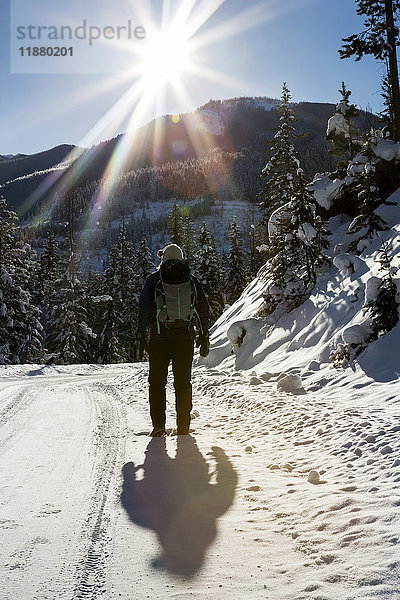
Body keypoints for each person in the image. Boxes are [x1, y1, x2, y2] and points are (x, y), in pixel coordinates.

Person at [136, 243, 210, 437]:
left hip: (159, 339)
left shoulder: (153, 280)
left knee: (157, 382)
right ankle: (183, 426)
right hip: (185, 338)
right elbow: (202, 307)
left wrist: (141, 334)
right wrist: (204, 334)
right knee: (183, 383)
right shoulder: (191, 280)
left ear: (163, 259)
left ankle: (159, 426)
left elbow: (144, 308)